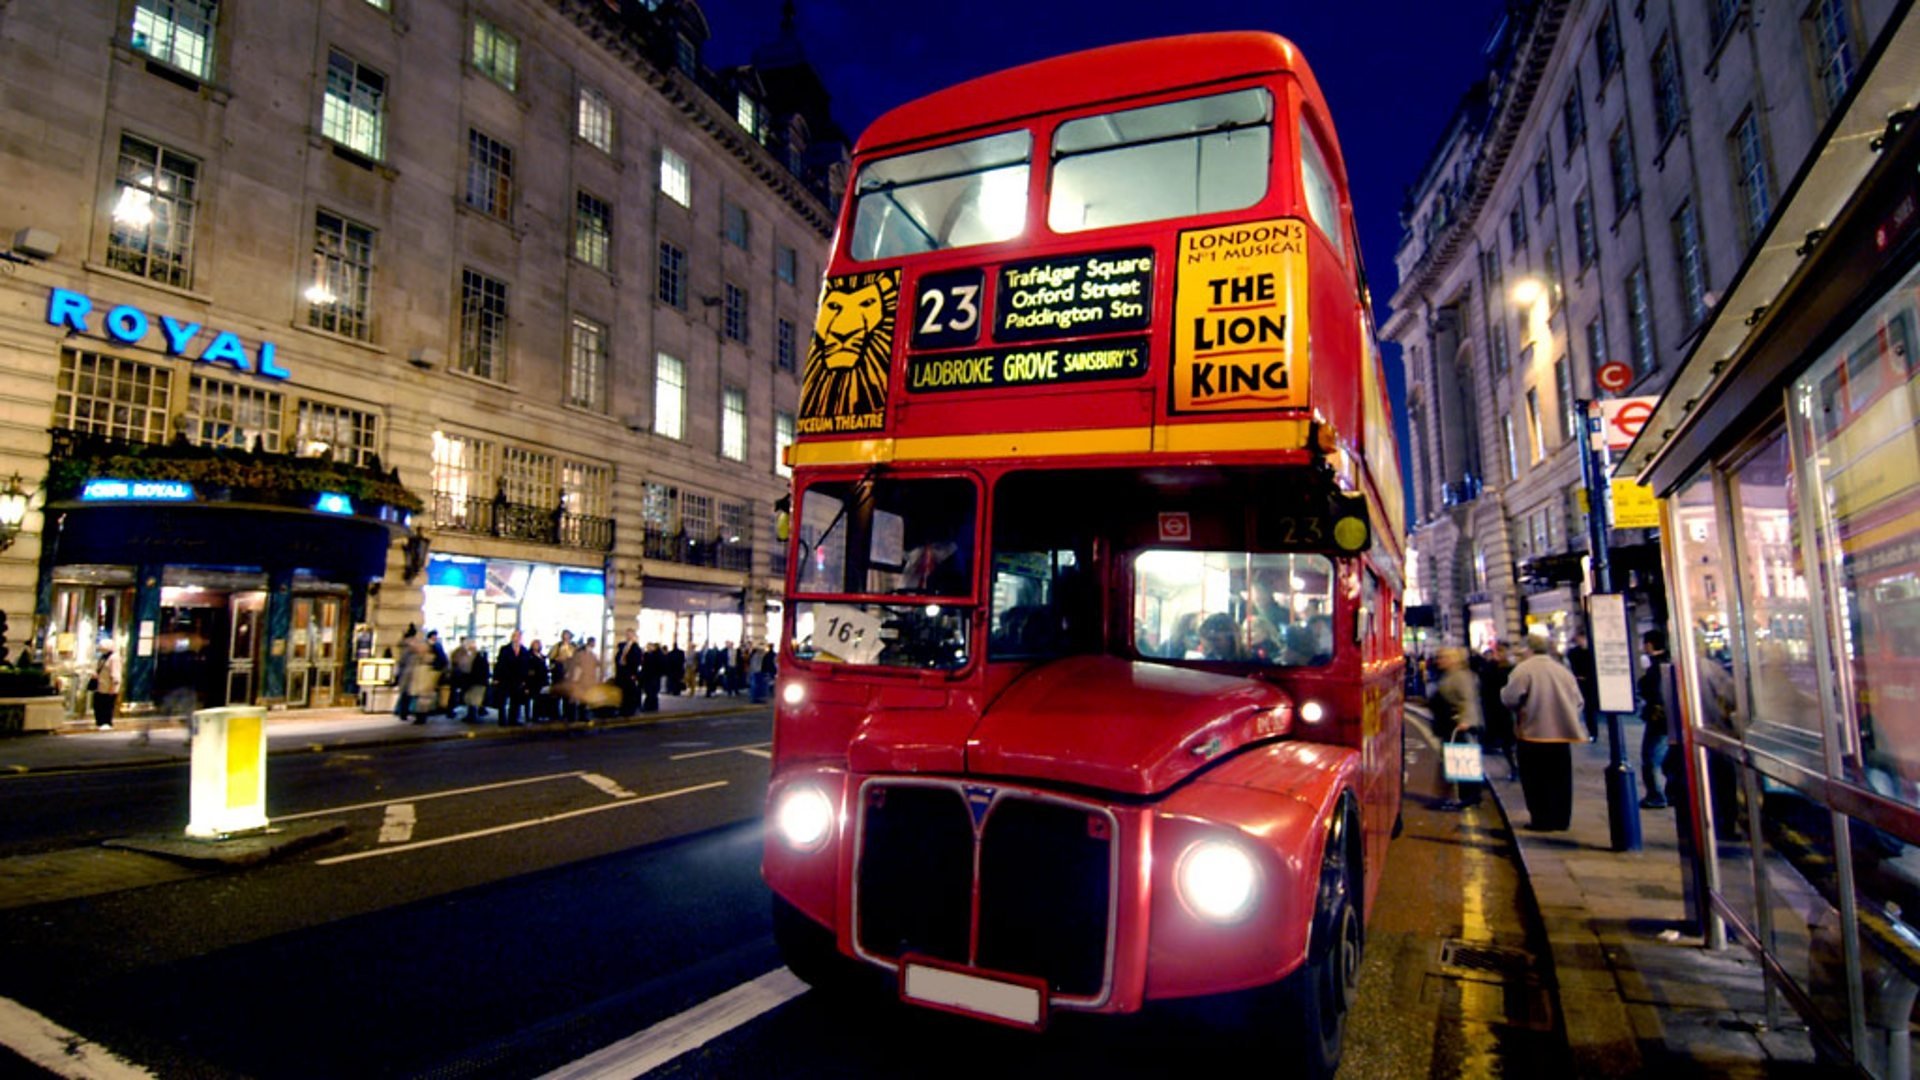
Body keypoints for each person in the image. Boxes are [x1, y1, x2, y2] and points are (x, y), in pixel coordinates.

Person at [1500, 630, 1589, 831]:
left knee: (1535, 780)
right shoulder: (1563, 671)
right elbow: (1579, 702)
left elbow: (1510, 698)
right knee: (1561, 779)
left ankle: (1541, 819)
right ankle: (1561, 819)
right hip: (1561, 734)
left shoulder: (1523, 670)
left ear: (1528, 648)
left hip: (1533, 733)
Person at [1431, 647, 1483, 810]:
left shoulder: (1460, 677)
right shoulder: (1451, 675)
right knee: (1455, 760)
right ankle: (1461, 796)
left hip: (1459, 725)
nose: (1439, 661)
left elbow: (1468, 700)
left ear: (1453, 659)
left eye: (1443, 657)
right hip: (1451, 724)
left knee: (1461, 761)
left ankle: (1466, 797)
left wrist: (1467, 721)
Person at [1637, 629, 1674, 809]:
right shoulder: (1667, 662)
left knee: (1650, 758)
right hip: (1667, 720)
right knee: (1664, 758)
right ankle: (1669, 792)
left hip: (1658, 720)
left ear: (1649, 645)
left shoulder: (1656, 667)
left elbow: (1651, 690)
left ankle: (1656, 795)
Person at [1566, 629, 1600, 741]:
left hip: (1592, 683)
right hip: (1583, 683)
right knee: (1587, 709)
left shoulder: (1592, 651)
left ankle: (1593, 732)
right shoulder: (1574, 652)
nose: (1579, 641)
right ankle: (1592, 732)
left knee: (1591, 709)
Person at [494, 631, 531, 726]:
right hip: (505, 678)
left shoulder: (524, 650)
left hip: (517, 680)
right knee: (502, 701)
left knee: (516, 700)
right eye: (515, 636)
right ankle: (502, 720)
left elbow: (526, 666)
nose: (517, 638)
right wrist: (496, 678)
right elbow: (499, 664)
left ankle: (513, 719)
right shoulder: (505, 649)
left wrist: (524, 680)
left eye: (519, 636)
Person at [91, 643, 121, 731]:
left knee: (107, 705)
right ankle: (100, 722)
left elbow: (115, 673)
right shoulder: (104, 657)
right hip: (101, 686)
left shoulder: (114, 658)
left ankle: (106, 722)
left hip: (108, 687)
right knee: (98, 704)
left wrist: (113, 687)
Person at [615, 630, 644, 716]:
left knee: (630, 692)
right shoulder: (622, 646)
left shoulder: (636, 648)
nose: (628, 636)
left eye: (630, 635)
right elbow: (618, 657)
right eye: (627, 634)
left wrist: (633, 674)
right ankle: (623, 709)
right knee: (623, 692)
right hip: (622, 673)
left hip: (630, 673)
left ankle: (630, 710)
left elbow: (637, 660)